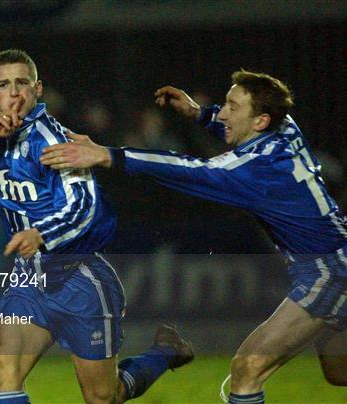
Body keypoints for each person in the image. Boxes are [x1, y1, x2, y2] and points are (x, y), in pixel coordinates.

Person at [40, 70, 347, 403]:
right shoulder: (286, 129)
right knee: (338, 373)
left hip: (329, 272)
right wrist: (201, 114)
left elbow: (187, 169)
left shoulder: (255, 170)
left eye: (232, 106)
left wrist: (107, 155)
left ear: (260, 121)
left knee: (247, 368)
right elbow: (239, 129)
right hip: (336, 259)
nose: (223, 112)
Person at [0, 49, 193, 404]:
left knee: (104, 395)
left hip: (79, 277)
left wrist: (41, 234)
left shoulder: (52, 140)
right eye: (4, 85)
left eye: (22, 83)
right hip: (30, 278)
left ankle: (164, 353)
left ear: (37, 89)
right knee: (3, 371)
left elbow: (83, 207)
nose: (14, 93)